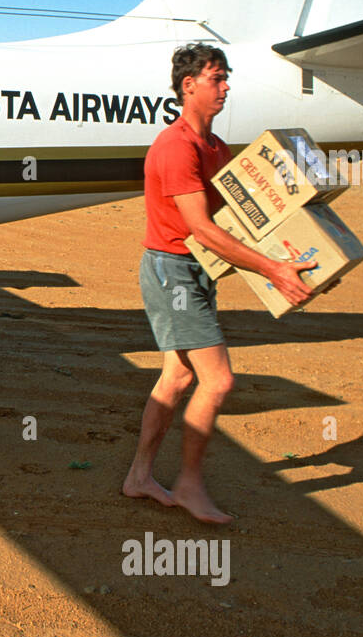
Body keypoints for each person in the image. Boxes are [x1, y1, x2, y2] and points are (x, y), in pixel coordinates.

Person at [122, 43, 317, 523]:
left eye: (226, 77)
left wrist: (292, 246)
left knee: (179, 375)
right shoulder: (176, 147)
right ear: (189, 86)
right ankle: (189, 485)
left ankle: (140, 477)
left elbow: (237, 220)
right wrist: (272, 270)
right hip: (174, 271)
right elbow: (202, 229)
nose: (226, 86)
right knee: (218, 380)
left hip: (195, 270)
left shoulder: (216, 148)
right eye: (217, 78)